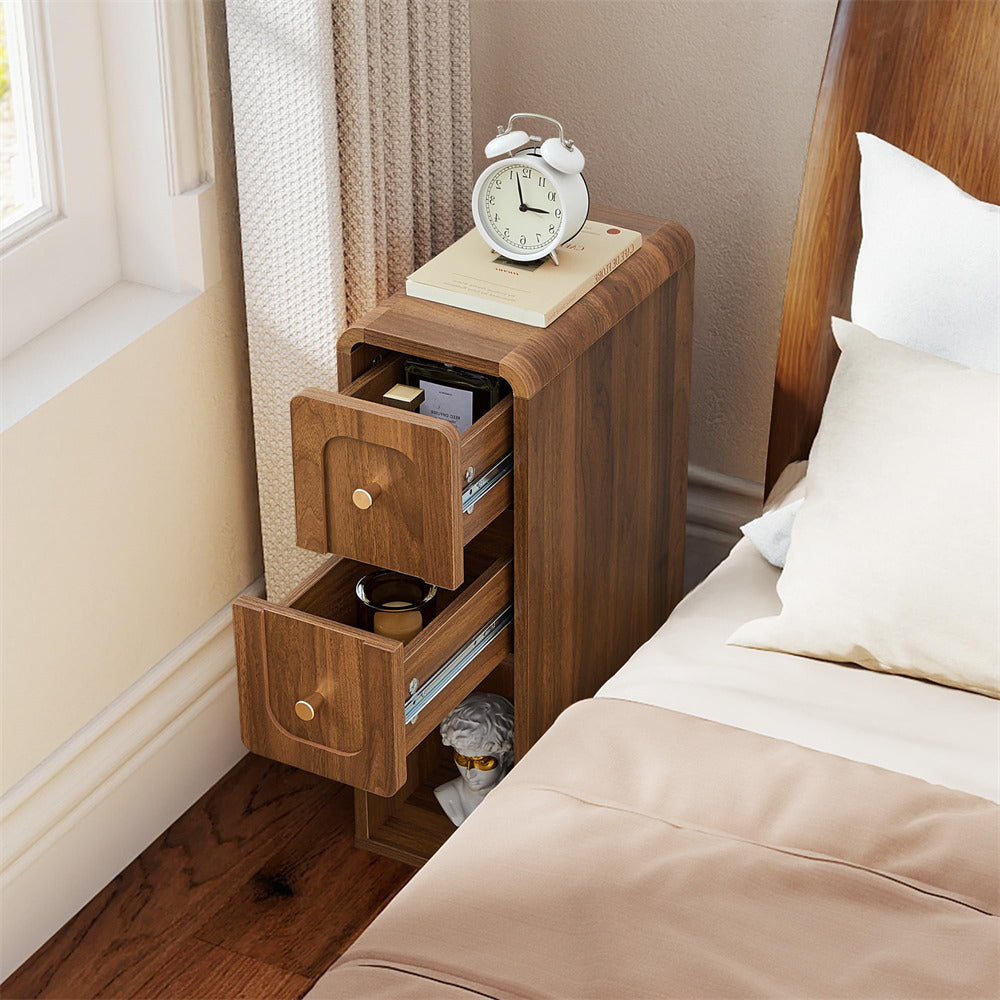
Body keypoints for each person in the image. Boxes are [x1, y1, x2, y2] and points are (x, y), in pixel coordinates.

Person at [434, 692, 514, 827]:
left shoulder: (518, 802)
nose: (469, 773)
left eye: (482, 762)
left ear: (505, 756)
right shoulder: (448, 797)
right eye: (462, 759)